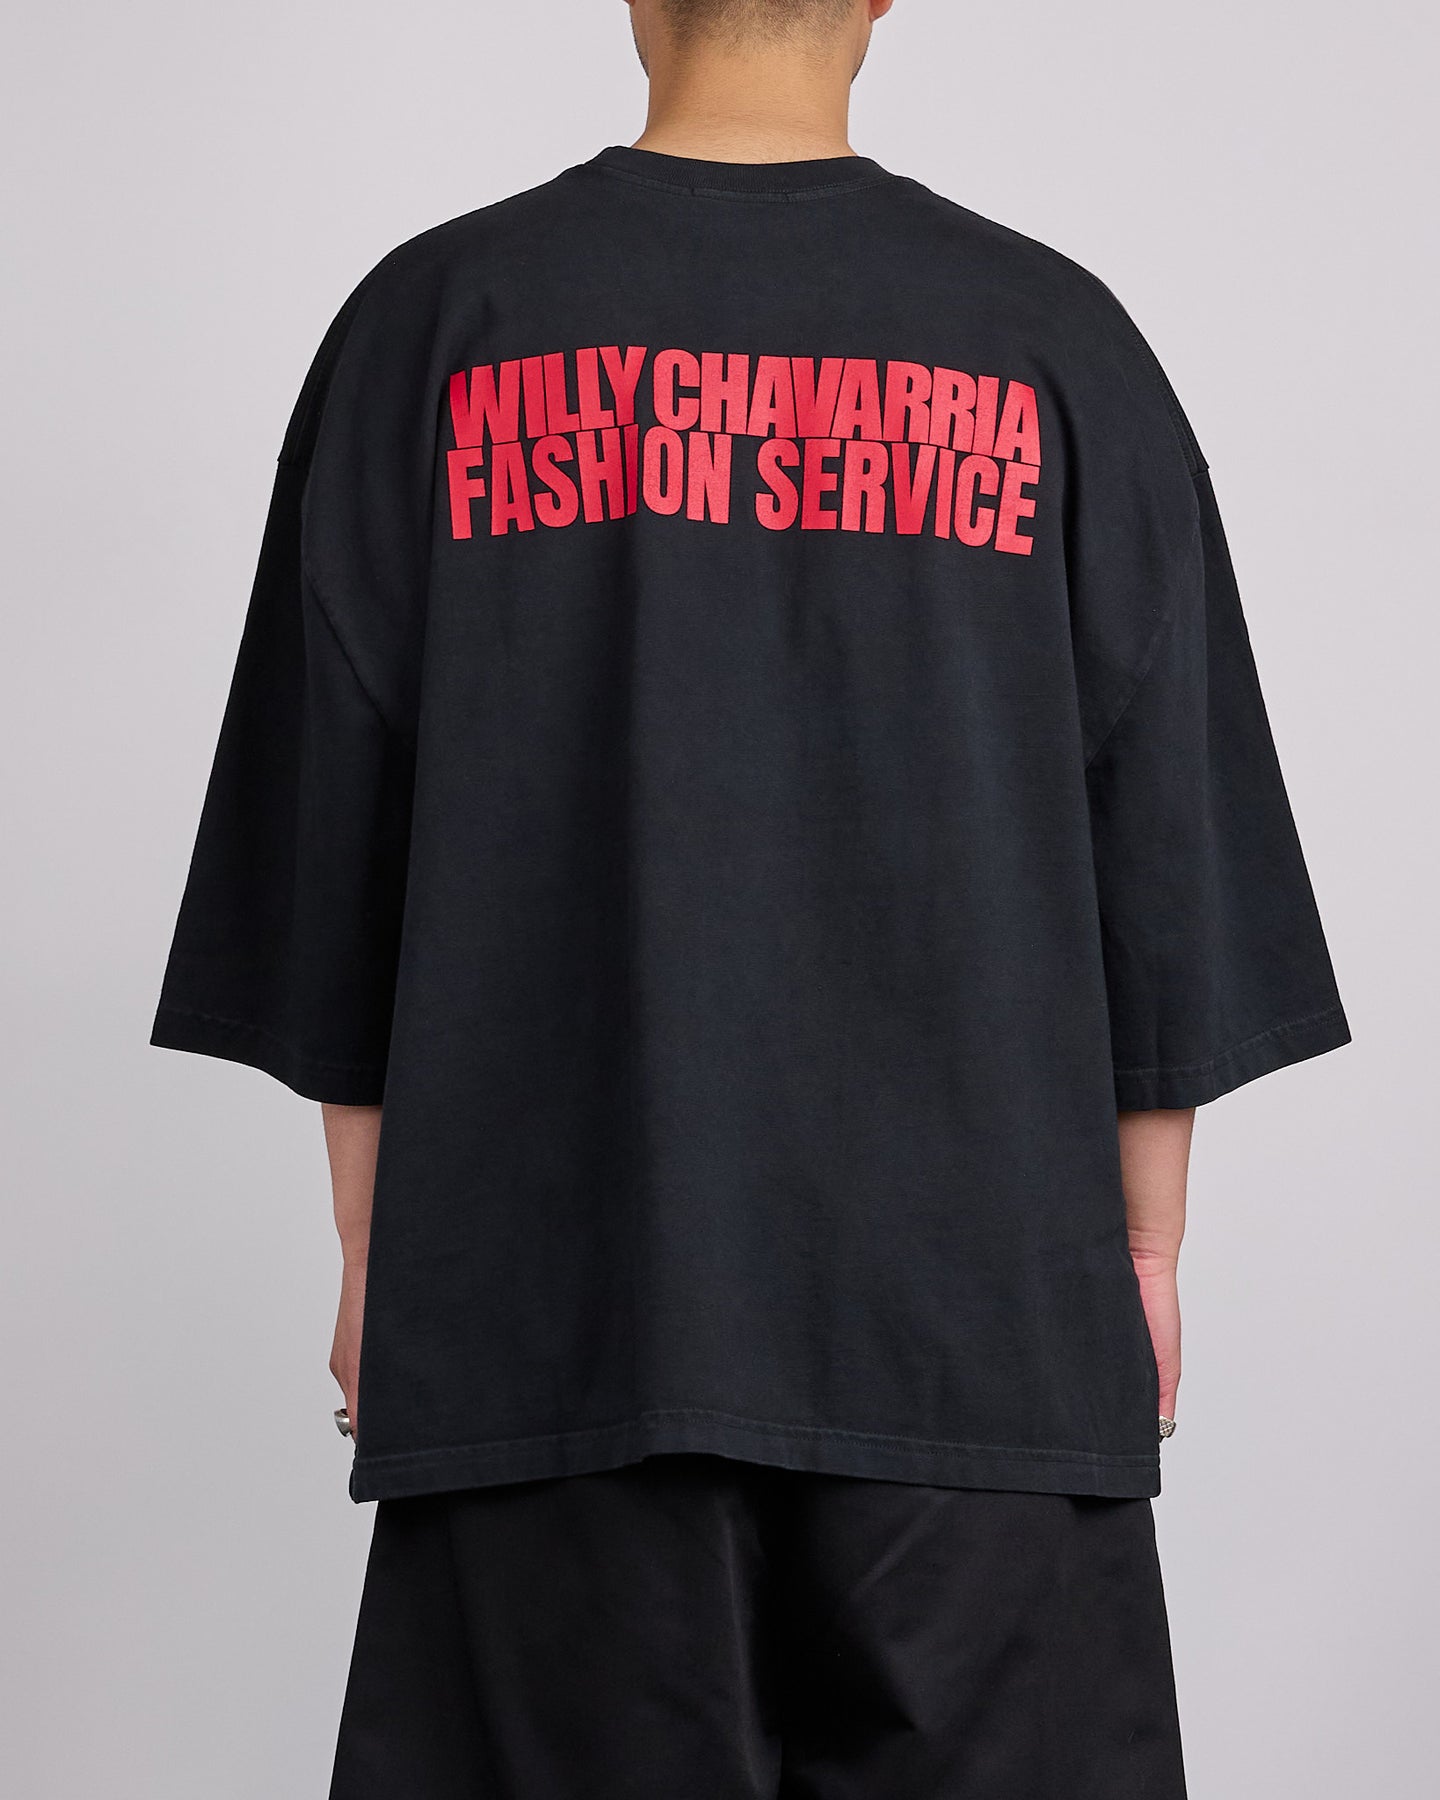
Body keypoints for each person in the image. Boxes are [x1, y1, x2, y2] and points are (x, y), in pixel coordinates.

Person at [151, 1, 1350, 1793]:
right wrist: (1145, 1254)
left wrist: (381, 1256)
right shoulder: (1056, 343)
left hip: (553, 1321)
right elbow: (1165, 851)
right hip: (984, 1339)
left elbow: (337, 844)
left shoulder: (437, 325)